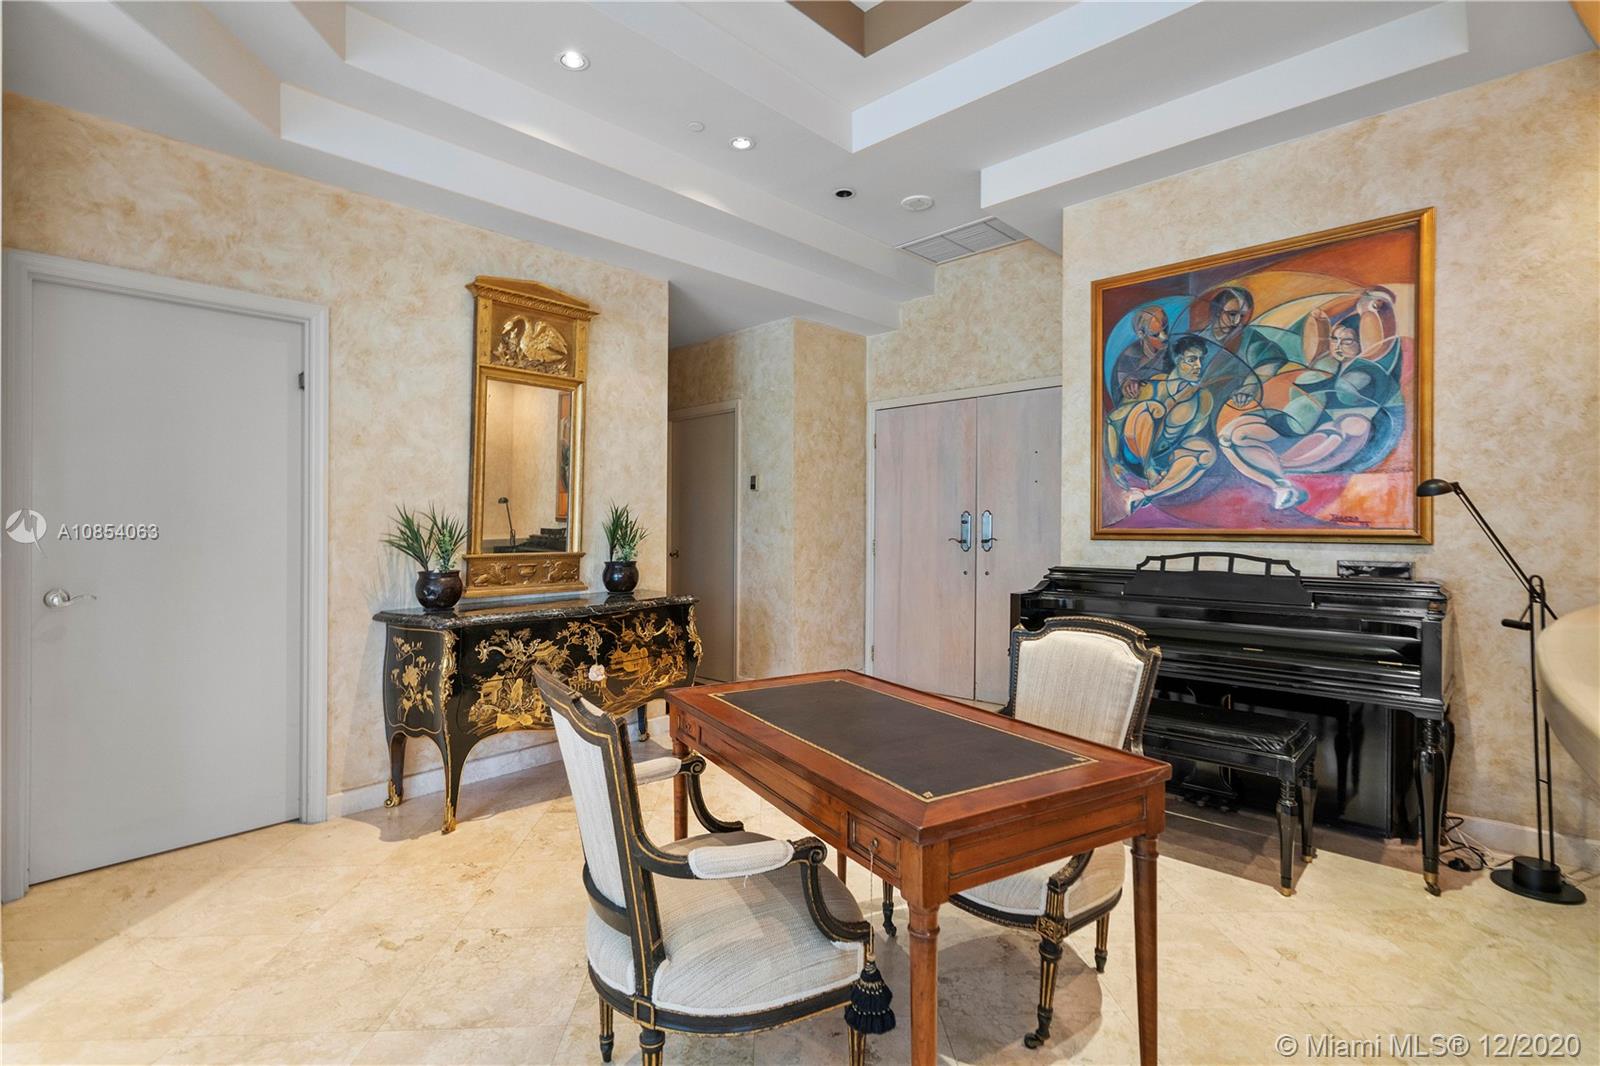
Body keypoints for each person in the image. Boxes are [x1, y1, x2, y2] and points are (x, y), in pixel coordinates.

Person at [1106, 334, 1218, 514]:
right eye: (1191, 360)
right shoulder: (1151, 385)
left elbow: (1188, 435)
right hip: (1134, 454)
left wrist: (1187, 396)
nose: (1198, 365)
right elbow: (1113, 421)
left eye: (1200, 360)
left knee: (1207, 452)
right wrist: (1114, 463)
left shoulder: (1203, 398)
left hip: (1164, 459)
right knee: (1152, 407)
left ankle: (1148, 494)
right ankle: (1148, 468)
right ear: (1176, 360)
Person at [1110, 305, 1171, 398]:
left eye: (1165, 330)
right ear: (1141, 334)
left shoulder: (1173, 348)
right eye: (1155, 334)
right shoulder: (1128, 358)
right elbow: (1123, 384)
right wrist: (1128, 384)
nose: (1165, 337)